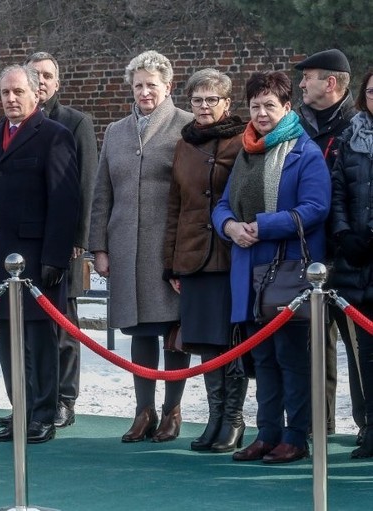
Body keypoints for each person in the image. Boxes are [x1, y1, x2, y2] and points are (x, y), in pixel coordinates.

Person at [212, 71, 330, 464]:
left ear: (287, 108)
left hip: (287, 272)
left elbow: (316, 208)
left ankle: (295, 437)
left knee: (291, 358)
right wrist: (229, 226)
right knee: (261, 360)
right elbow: (223, 205)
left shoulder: (304, 152)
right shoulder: (246, 151)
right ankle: (267, 434)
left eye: (269, 106)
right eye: (255, 106)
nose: (261, 114)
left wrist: (262, 226)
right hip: (249, 270)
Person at [88, 50, 193, 443]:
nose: (145, 91)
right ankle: (143, 410)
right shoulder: (115, 130)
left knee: (171, 330)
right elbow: (102, 192)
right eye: (138, 85)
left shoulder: (185, 126)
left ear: (167, 86)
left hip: (166, 249)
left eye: (152, 84)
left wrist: (186, 252)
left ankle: (173, 410)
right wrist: (99, 247)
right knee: (140, 332)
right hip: (124, 247)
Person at [0, 64, 79, 444]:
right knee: (8, 340)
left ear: (37, 94)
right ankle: (19, 409)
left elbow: (64, 200)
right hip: (1, 258)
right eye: (5, 92)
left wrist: (55, 257)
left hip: (37, 259)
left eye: (18, 92)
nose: (10, 99)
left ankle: (43, 413)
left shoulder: (54, 136)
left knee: (39, 340)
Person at [162, 69, 247, 452]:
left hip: (230, 255)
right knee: (207, 343)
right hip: (193, 255)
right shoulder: (184, 144)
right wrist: (171, 262)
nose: (203, 107)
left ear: (227, 103)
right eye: (197, 100)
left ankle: (233, 419)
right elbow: (175, 206)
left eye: (212, 99)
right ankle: (214, 417)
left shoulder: (243, 140)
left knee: (230, 340)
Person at [26, 51, 99, 429]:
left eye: (47, 75)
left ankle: (64, 398)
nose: (40, 81)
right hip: (27, 243)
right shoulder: (19, 122)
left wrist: (78, 239)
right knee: (30, 326)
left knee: (63, 323)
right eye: (34, 74)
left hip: (63, 242)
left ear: (57, 83)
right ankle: (35, 398)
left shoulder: (75, 122)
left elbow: (86, 185)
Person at [296, 48, 363, 439]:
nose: (302, 84)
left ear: (331, 83)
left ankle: (367, 424)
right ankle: (317, 426)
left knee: (359, 349)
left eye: (309, 77)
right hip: (309, 255)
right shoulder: (299, 127)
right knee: (313, 346)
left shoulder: (357, 127)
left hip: (352, 255)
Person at [329, 69, 373, 458]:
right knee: (366, 355)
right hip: (356, 262)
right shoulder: (351, 137)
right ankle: (371, 428)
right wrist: (344, 235)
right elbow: (339, 189)